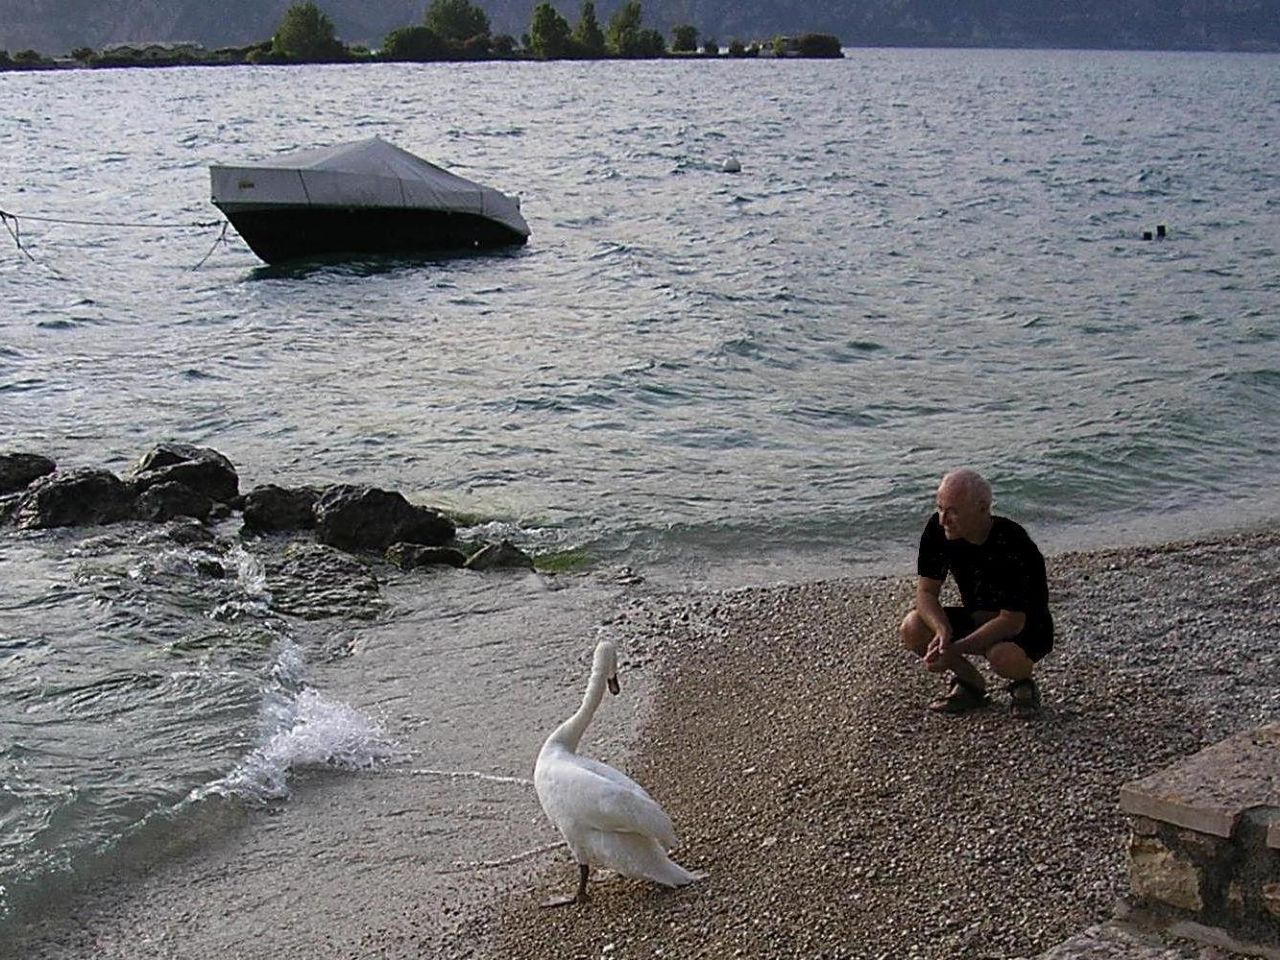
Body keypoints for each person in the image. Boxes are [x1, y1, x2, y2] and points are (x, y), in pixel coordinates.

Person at [899, 468, 1053, 718]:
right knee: (913, 626)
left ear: (982, 509)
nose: (943, 519)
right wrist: (942, 631)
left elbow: (1011, 621)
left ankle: (1023, 684)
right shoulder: (938, 531)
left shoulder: (1013, 542)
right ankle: (971, 684)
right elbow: (926, 592)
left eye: (953, 511)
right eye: (940, 508)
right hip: (978, 616)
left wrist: (954, 649)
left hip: (1025, 625)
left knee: (1002, 656)